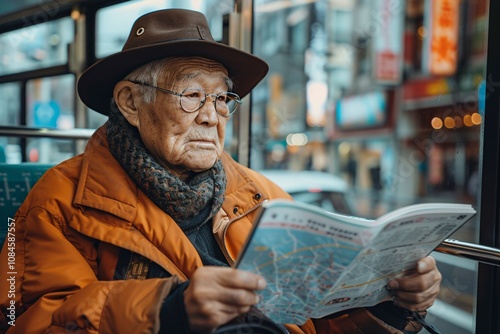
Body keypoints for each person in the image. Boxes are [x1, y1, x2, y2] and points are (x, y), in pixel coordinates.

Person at [0, 9, 442, 334]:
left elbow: (318, 320)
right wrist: (167, 311)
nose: (212, 117)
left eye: (222, 99)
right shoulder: (59, 200)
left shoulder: (262, 197)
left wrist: (389, 305)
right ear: (132, 103)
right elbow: (25, 320)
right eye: (192, 95)